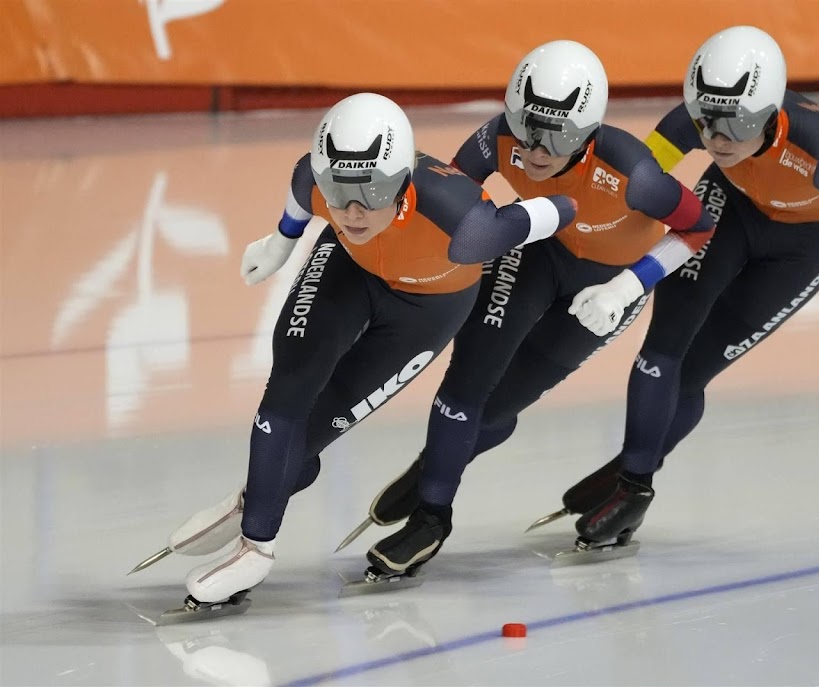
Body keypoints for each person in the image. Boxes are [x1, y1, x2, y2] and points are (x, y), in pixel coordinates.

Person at [130, 92, 578, 609]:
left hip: (427, 308)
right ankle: (255, 545)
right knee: (289, 384)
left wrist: (567, 205)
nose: (354, 209)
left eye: (372, 190)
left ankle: (251, 502)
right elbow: (303, 182)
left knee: (318, 425)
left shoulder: (469, 229)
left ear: (402, 183)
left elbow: (540, 216)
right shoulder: (318, 182)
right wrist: (280, 241)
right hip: (350, 268)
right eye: (339, 190)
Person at [356, 40, 716, 580]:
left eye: (558, 135)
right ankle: (433, 516)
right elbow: (446, 197)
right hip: (538, 251)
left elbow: (699, 226)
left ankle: (441, 460)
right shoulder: (497, 139)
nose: (537, 148)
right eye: (528, 126)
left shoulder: (634, 174)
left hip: (606, 284)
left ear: (589, 133)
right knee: (466, 386)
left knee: (500, 406)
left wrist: (628, 287)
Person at [556, 25, 819, 541]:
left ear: (770, 114)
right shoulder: (699, 117)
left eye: (736, 124)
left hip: (800, 250)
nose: (716, 139)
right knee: (662, 349)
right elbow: (631, 182)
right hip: (728, 210)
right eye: (706, 122)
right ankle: (634, 485)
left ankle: (635, 465)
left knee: (691, 373)